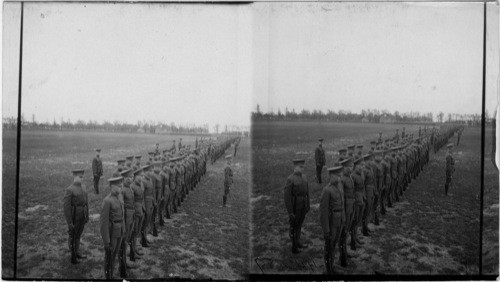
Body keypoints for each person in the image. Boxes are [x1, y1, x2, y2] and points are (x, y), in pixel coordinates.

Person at [319, 166, 345, 274]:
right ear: (330, 176)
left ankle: (332, 265)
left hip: (339, 220)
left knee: (334, 244)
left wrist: (343, 219)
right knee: (329, 245)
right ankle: (328, 269)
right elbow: (323, 212)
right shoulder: (327, 190)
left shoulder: (339, 186)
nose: (338, 178)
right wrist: (326, 230)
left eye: (339, 176)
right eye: (336, 176)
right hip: (331, 222)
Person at [100, 176, 125, 279]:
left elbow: (122, 215)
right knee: (110, 255)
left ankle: (111, 272)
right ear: (111, 187)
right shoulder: (107, 201)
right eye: (118, 186)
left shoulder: (120, 197)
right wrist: (106, 241)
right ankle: (108, 276)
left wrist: (124, 229)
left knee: (115, 254)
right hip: (112, 232)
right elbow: (103, 223)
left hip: (120, 230)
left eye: (121, 185)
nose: (120, 187)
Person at [284, 159, 310, 254]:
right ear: (295, 168)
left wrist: (308, 205)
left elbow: (307, 193)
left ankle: (298, 241)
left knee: (299, 225)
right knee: (294, 226)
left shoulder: (304, 177)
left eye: (303, 167)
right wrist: (290, 212)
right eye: (300, 167)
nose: (302, 168)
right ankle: (294, 247)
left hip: (303, 205)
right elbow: (287, 197)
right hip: (295, 206)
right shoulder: (290, 179)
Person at [63, 168, 89, 264]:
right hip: (74, 217)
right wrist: (69, 222)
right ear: (74, 177)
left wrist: (87, 215)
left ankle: (77, 252)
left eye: (82, 177)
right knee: (73, 236)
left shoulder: (84, 187)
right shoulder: (69, 190)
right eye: (80, 177)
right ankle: (73, 257)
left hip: (82, 215)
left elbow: (86, 203)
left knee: (78, 235)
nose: (81, 179)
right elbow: (66, 208)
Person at [119, 169, 136, 276]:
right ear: (124, 178)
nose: (131, 179)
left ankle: (125, 261)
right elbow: (122, 208)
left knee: (128, 238)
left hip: (131, 214)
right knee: (123, 241)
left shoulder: (129, 187)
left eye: (131, 177)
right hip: (126, 217)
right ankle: (123, 264)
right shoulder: (122, 190)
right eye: (128, 177)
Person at [129, 168, 145, 261]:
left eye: (143, 176)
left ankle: (134, 249)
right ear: (135, 177)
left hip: (140, 211)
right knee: (133, 232)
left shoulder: (141, 184)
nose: (142, 177)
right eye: (140, 176)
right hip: (135, 212)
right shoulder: (132, 187)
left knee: (136, 232)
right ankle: (132, 252)